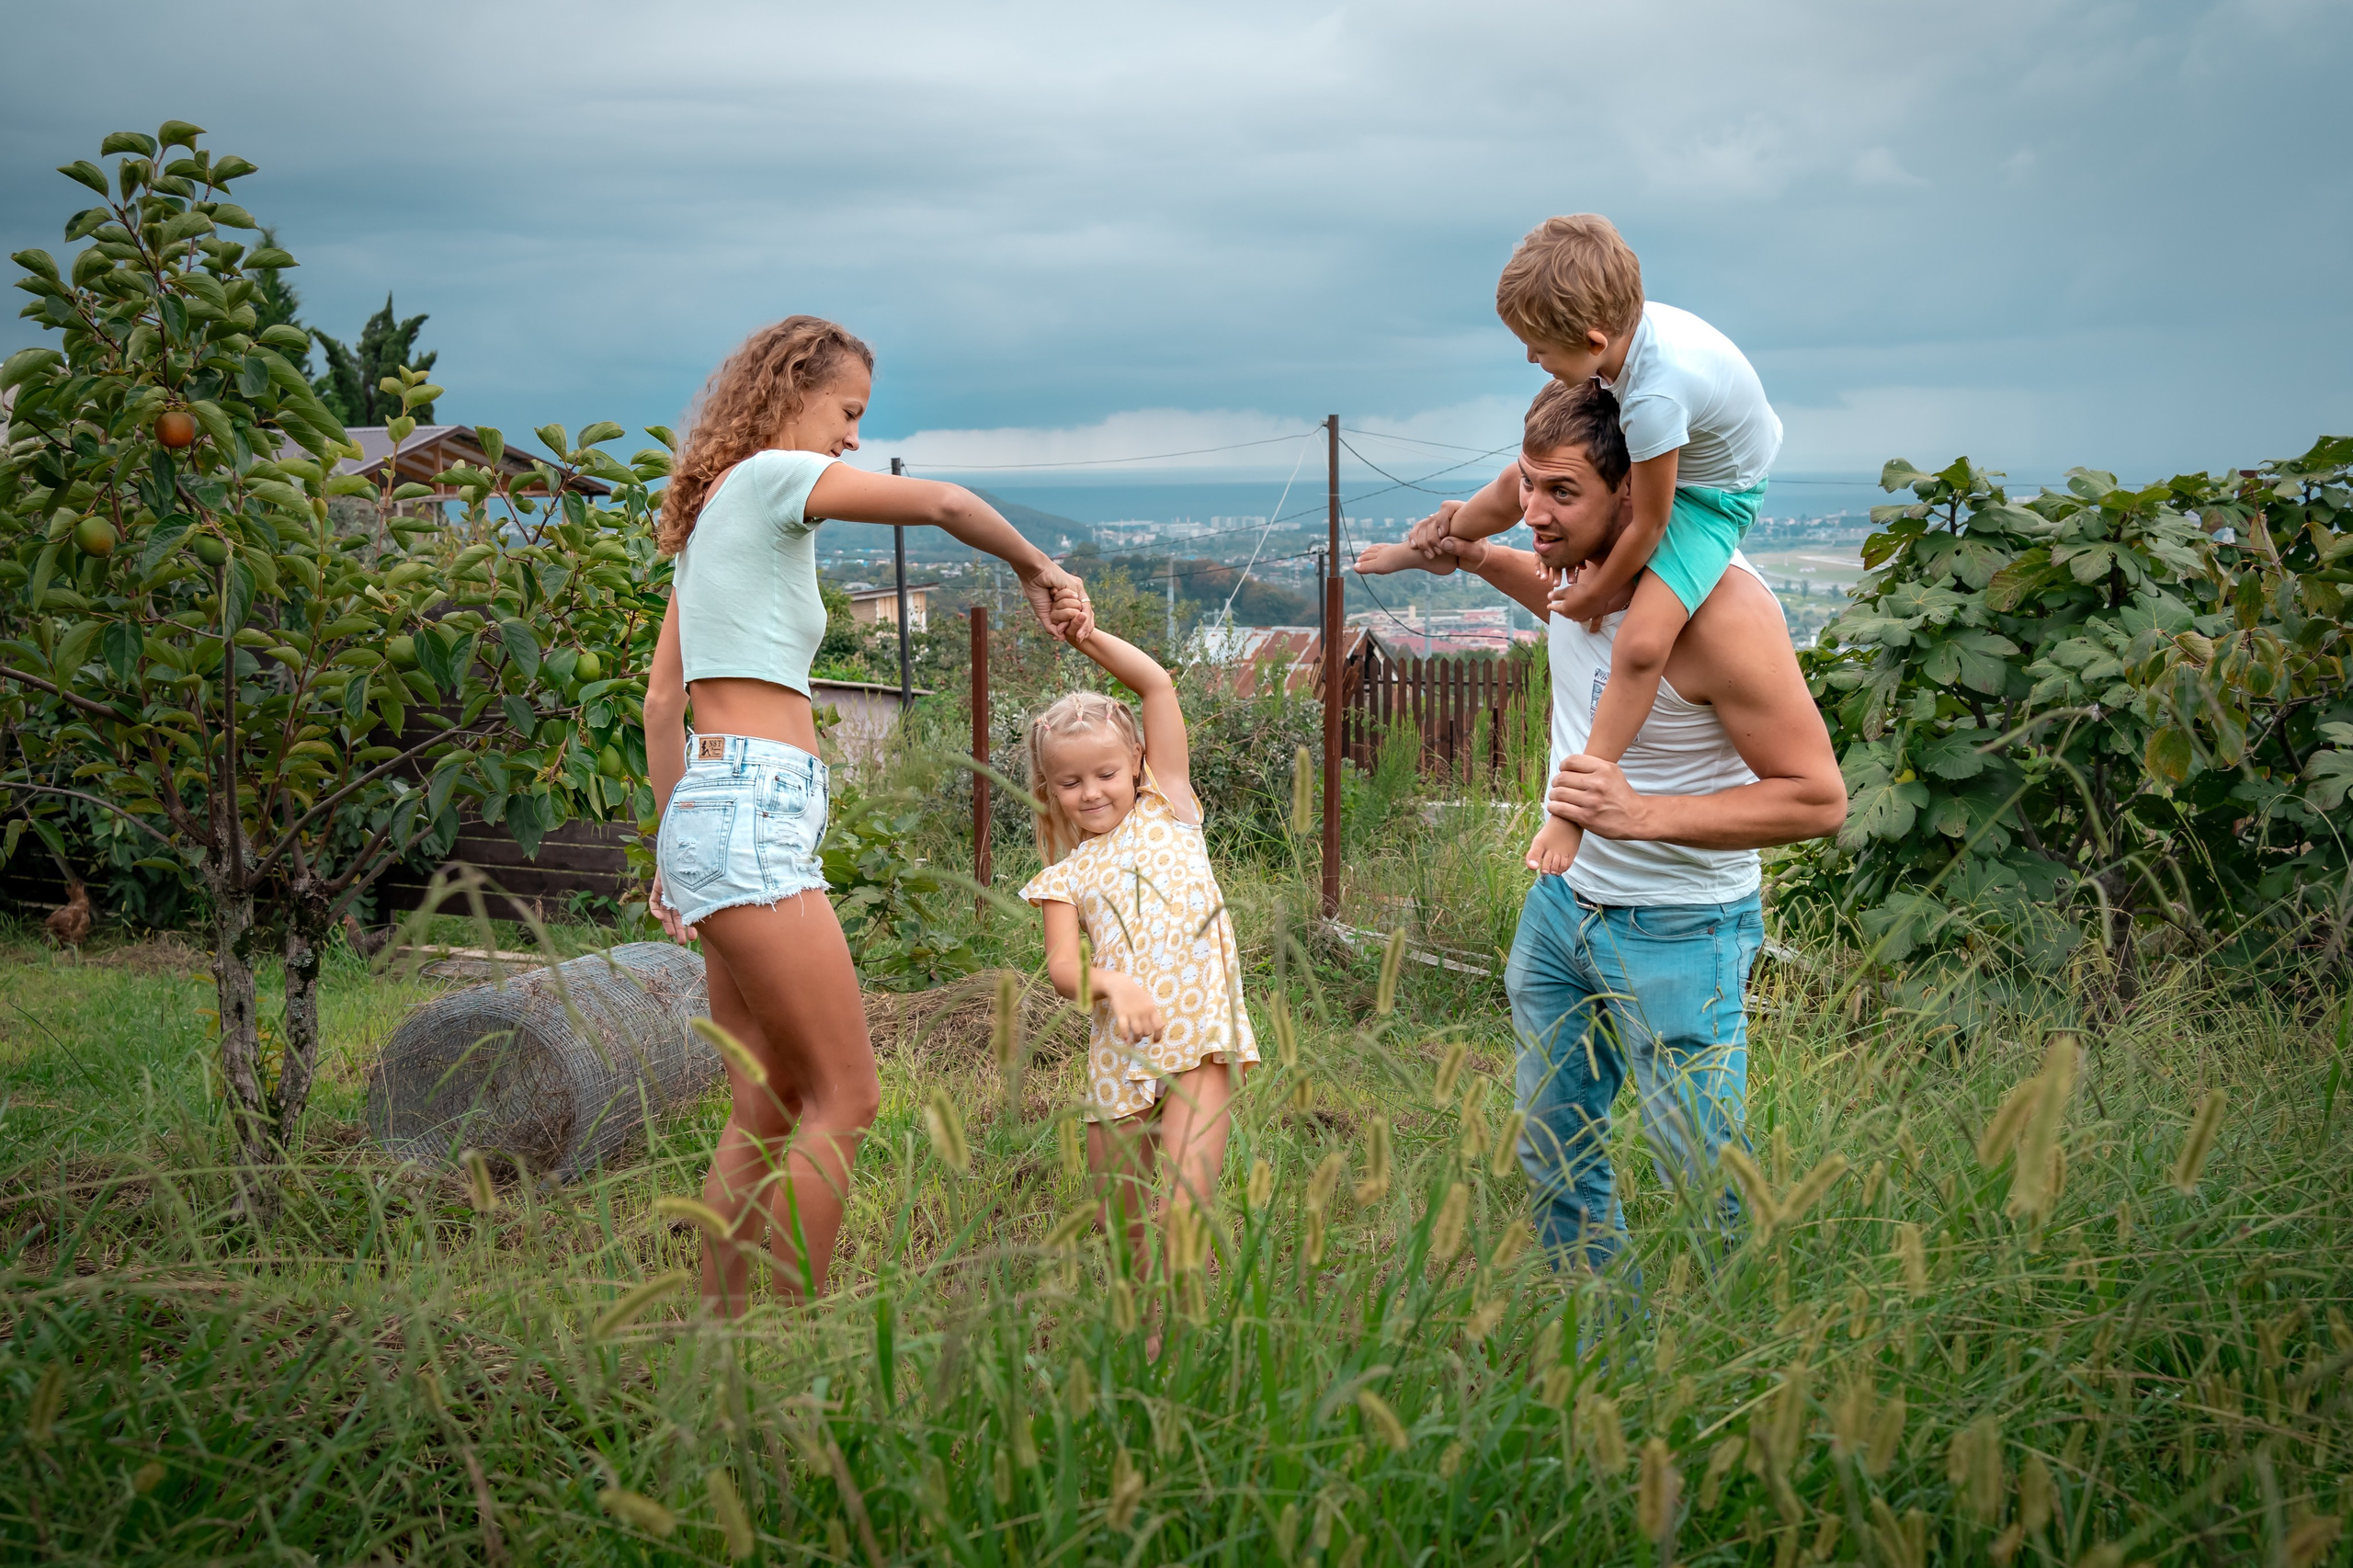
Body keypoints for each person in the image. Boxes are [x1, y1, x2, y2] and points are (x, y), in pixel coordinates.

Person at [643, 315, 1094, 1315]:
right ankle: (793, 1333)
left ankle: (721, 1337)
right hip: (755, 806)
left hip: (711, 811)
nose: (853, 437)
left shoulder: (708, 517)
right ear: (789, 391)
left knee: (764, 1103)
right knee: (845, 1097)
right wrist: (1038, 567)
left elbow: (659, 703)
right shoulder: (771, 475)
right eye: (847, 412)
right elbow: (944, 501)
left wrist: (675, 856)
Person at [1358, 377, 1843, 1278]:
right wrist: (1472, 555)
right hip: (1561, 909)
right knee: (1553, 1151)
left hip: (1679, 931)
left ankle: (1733, 1344)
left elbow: (1817, 798)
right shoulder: (1580, 570)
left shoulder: (1721, 616)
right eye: (1526, 483)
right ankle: (1598, 1330)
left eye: (1562, 492)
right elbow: (1557, 604)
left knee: (1705, 1174)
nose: (1533, 513)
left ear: (1635, 493)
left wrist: (1638, 816)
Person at [1409, 214, 1783, 881]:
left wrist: (1595, 592)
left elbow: (1651, 525)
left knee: (1640, 642)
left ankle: (1582, 801)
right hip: (1699, 456)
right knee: (1547, 463)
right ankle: (1457, 523)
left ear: (1593, 341)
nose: (1531, 360)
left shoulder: (1654, 399)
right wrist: (1463, 533)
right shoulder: (1628, 336)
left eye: (1539, 349)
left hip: (1715, 495)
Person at [1017, 627, 1258, 1306]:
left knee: (1183, 1207)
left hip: (1198, 1038)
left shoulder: (1170, 809)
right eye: (1070, 782)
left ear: (1137, 764)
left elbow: (1155, 684)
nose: (1091, 792)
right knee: (1115, 1218)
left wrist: (1086, 635)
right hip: (1120, 1051)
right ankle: (1144, 1326)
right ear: (1050, 788)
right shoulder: (1063, 876)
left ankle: (1182, 1337)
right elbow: (1063, 970)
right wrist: (1111, 983)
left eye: (1106, 774)